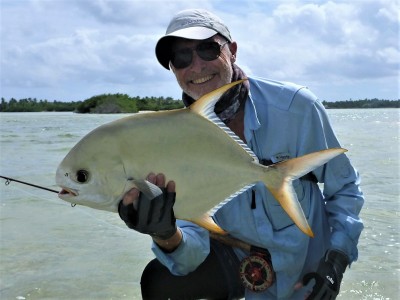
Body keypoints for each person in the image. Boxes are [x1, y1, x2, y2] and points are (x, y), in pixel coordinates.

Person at [118, 9, 364, 299]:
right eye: (181, 58)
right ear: (173, 70)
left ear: (232, 51)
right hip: (244, 276)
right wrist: (164, 233)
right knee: (159, 281)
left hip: (310, 274)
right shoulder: (170, 144)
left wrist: (336, 260)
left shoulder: (296, 107)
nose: (196, 66)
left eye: (207, 49)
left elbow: (344, 188)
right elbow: (190, 257)